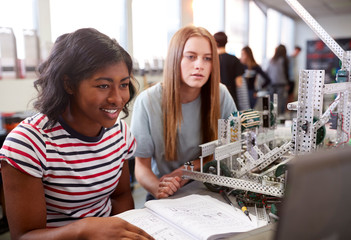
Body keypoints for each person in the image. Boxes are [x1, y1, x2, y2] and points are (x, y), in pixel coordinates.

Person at [0, 28, 153, 240]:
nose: (117, 98)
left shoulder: (119, 132)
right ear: (69, 84)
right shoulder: (28, 143)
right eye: (103, 85)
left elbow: (121, 195)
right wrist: (84, 230)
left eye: (124, 85)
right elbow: (24, 236)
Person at [131, 26, 237, 200]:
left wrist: (187, 168)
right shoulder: (147, 101)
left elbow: (233, 149)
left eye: (207, 59)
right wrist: (160, 189)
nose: (199, 66)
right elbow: (141, 168)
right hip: (166, 190)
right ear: (175, 58)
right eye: (191, 56)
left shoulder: (221, 94)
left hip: (209, 188)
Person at [213, 31, 249, 111]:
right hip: (231, 101)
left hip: (214, 101)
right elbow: (239, 84)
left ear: (215, 42)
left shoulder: (211, 60)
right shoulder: (234, 60)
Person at [266, 44, 290, 116]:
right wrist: (288, 83)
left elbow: (268, 72)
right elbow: (286, 72)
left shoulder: (272, 60)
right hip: (281, 84)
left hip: (271, 84)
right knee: (280, 102)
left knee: (271, 102)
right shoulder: (284, 60)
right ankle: (278, 117)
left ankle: (271, 117)